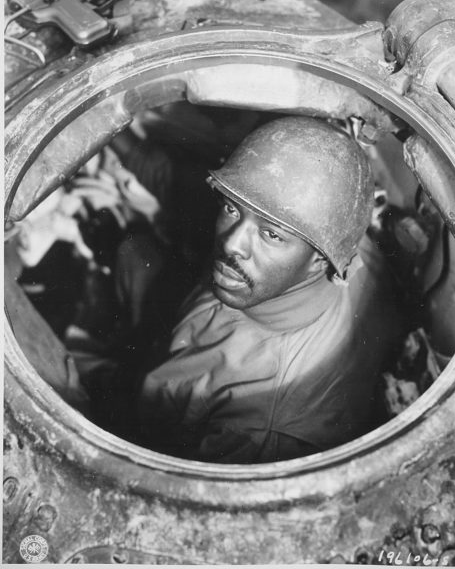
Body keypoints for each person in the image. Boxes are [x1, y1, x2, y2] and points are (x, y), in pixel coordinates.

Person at [130, 116, 403, 463]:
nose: (232, 244)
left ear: (320, 260)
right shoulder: (335, 233)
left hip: (150, 425)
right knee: (134, 253)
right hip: (189, 330)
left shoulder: (261, 430)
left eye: (271, 234)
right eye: (231, 208)